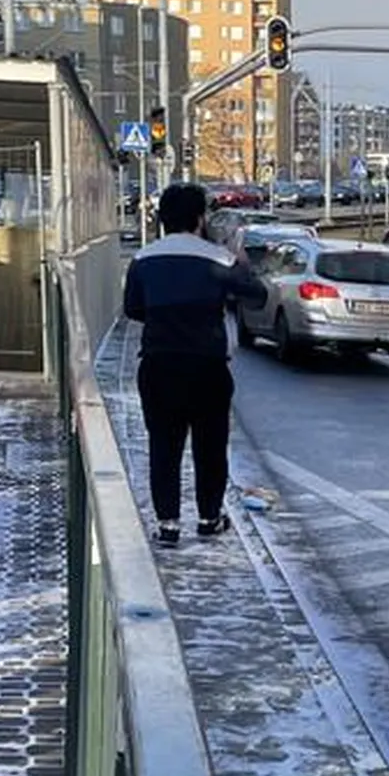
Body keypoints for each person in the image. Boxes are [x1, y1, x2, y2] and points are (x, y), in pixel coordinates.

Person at [121, 179, 257, 545]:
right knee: (210, 447)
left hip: (158, 365)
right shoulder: (219, 258)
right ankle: (209, 517)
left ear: (163, 218)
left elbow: (133, 308)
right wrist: (242, 263)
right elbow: (256, 296)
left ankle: (168, 524)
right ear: (200, 218)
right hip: (207, 368)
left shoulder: (143, 259)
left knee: (163, 446)